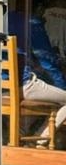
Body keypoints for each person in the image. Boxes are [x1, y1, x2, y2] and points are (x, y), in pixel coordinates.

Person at [9, 11, 66, 145]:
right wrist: (62, 86)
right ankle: (39, 141)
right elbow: (46, 60)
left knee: (43, 101)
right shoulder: (31, 23)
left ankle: (20, 136)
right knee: (60, 99)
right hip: (23, 86)